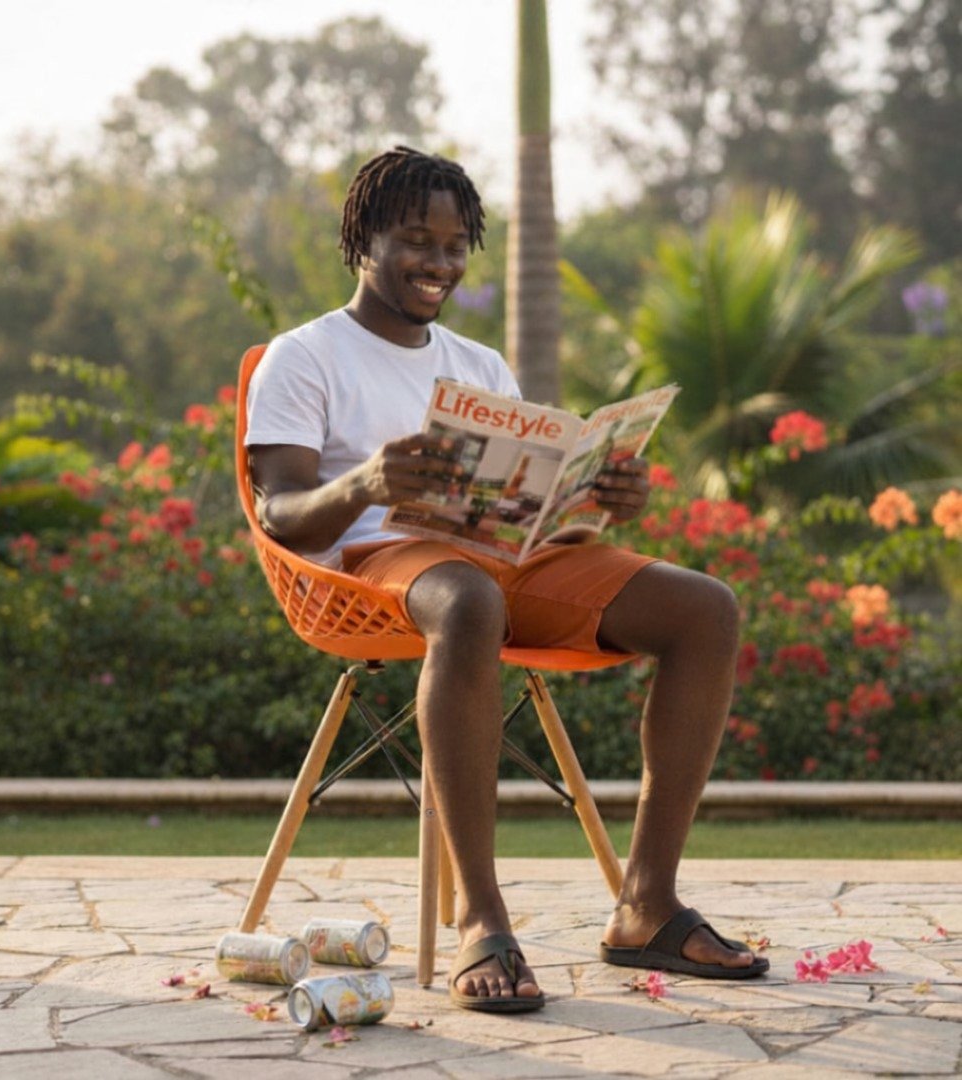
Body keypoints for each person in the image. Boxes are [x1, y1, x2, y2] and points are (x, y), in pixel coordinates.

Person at [246, 146, 768, 1013]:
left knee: (705, 609)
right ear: (362, 239)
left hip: (501, 557)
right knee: (470, 598)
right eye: (417, 240)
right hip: (382, 565)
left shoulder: (479, 364)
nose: (438, 263)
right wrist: (367, 483)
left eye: (455, 247)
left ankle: (647, 907)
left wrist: (602, 495)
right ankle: (482, 919)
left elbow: (530, 515)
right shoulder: (304, 359)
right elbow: (281, 512)